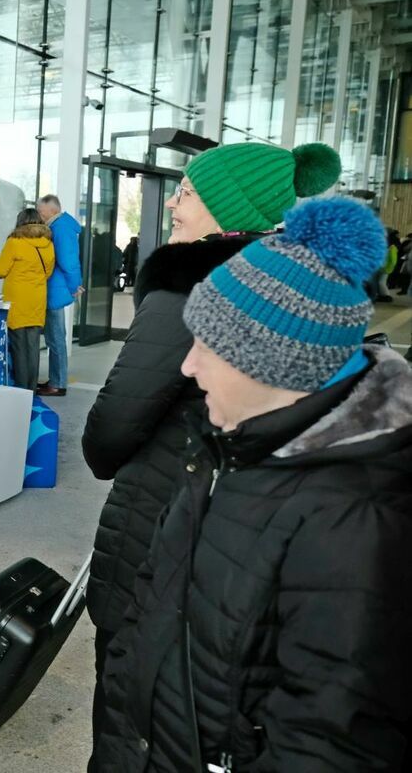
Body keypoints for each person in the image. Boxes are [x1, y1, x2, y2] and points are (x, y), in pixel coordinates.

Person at [92, 195, 412, 771]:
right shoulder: (223, 444)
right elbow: (148, 610)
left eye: (207, 347)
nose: (188, 368)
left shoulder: (358, 520)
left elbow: (329, 741)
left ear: (275, 365)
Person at [81, 141, 341, 770]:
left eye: (189, 192)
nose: (173, 201)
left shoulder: (186, 291)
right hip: (241, 536)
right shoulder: (294, 291)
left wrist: (106, 449)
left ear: (229, 208)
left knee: (130, 687)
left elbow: (111, 429)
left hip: (161, 516)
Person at [0, 207, 54, 390]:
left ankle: (22, 390)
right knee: (33, 346)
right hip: (37, 298)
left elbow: (0, 271)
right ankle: (32, 387)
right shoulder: (48, 243)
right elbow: (48, 273)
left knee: (18, 346)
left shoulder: (15, 242)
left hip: (17, 299)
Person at [35, 194, 83, 397]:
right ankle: (57, 379)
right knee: (56, 338)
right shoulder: (59, 225)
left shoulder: (60, 228)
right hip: (56, 288)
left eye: (40, 210)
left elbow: (68, 260)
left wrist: (75, 286)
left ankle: (57, 383)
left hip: (56, 290)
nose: (39, 213)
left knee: (55, 339)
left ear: (51, 210)